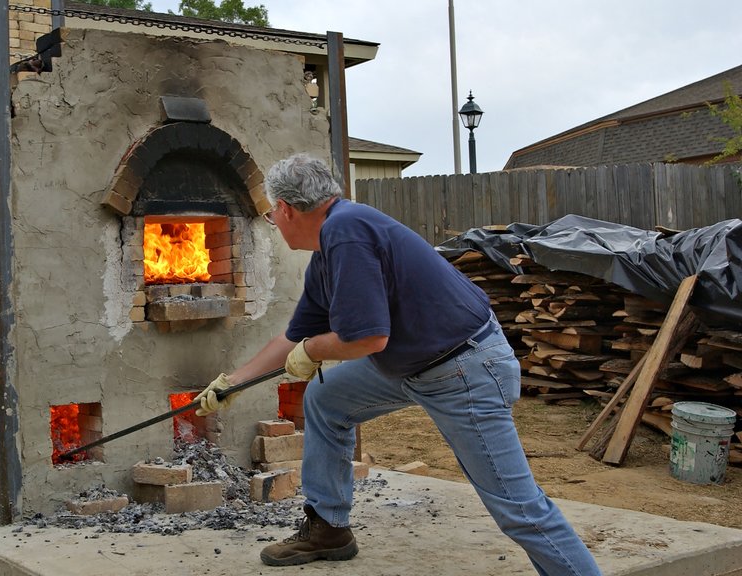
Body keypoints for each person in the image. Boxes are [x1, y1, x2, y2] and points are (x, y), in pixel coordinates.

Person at [193, 153, 602, 575]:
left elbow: (369, 338)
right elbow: (293, 337)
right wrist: (232, 382)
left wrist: (314, 351)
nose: (273, 223)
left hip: (462, 369)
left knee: (518, 510)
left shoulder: (346, 231)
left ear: (286, 209)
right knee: (326, 399)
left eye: (271, 214)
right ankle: (329, 527)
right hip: (412, 365)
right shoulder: (327, 251)